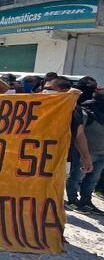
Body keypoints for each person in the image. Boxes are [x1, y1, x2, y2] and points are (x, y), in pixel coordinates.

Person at [45, 76, 95, 211]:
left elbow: (79, 135)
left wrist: (86, 158)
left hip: (61, 156)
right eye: (44, 88)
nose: (45, 91)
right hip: (35, 153)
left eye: (49, 89)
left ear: (65, 90)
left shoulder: (73, 109)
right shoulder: (41, 103)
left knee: (52, 190)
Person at [75, 91, 104, 214]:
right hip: (87, 151)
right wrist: (83, 153)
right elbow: (79, 134)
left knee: (93, 179)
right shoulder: (86, 113)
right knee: (76, 177)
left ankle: (86, 201)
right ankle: (73, 201)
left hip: (101, 153)